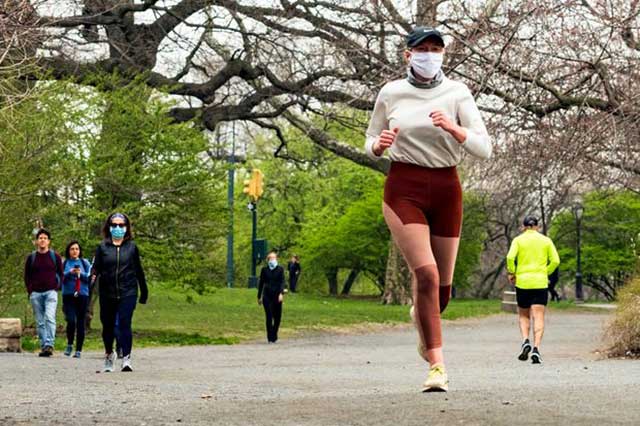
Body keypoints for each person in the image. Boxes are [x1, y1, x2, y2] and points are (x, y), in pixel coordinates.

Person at [365, 27, 491, 391]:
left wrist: (454, 129)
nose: (429, 54)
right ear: (408, 55)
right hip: (404, 187)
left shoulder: (457, 93)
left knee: (443, 293)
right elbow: (370, 138)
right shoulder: (391, 93)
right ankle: (437, 366)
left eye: (436, 48)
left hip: (447, 187)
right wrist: (378, 146)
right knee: (427, 276)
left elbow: (485, 148)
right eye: (423, 48)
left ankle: (421, 320)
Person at [93, 213, 148, 372]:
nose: (117, 228)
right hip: (107, 292)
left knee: (125, 323)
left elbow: (139, 271)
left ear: (126, 228)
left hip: (127, 291)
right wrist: (90, 284)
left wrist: (144, 292)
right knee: (108, 327)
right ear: (109, 227)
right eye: (114, 225)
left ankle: (126, 358)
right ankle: (109, 354)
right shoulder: (102, 247)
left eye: (121, 225)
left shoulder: (132, 247)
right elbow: (95, 269)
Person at [506, 216, 560, 364]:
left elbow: (510, 257)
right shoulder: (546, 241)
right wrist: (545, 272)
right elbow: (556, 261)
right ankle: (536, 348)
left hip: (522, 282)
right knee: (539, 316)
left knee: (524, 315)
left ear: (524, 226)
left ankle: (525, 341)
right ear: (537, 226)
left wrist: (512, 272)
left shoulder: (518, 240)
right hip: (540, 283)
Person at [24, 229, 63, 357]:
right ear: (36, 241)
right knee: (40, 321)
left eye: (45, 238)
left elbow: (61, 273)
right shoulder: (32, 257)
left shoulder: (55, 256)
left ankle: (50, 344)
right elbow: (27, 276)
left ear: (49, 241)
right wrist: (30, 290)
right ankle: (44, 346)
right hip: (36, 294)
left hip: (51, 292)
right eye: (40, 238)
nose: (42, 240)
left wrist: (57, 286)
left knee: (49, 317)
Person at [61, 241, 92, 358]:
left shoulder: (85, 263)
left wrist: (80, 274)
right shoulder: (65, 263)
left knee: (80, 322)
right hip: (68, 295)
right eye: (72, 249)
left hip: (82, 295)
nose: (75, 251)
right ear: (68, 251)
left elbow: (90, 278)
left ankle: (78, 349)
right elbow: (60, 278)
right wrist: (70, 272)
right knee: (71, 320)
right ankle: (69, 343)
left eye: (77, 249)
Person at [258, 252, 285, 343]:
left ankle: (274, 333)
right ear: (268, 260)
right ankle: (270, 337)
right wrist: (259, 296)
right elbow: (261, 283)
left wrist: (281, 293)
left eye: (274, 258)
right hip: (267, 295)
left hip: (277, 295)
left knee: (277, 317)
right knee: (269, 316)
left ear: (276, 259)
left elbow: (282, 282)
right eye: (271, 258)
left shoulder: (280, 269)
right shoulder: (264, 270)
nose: (272, 260)